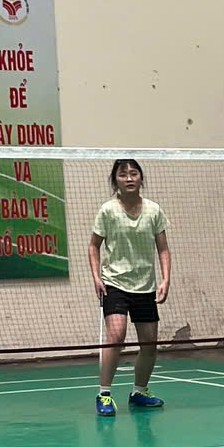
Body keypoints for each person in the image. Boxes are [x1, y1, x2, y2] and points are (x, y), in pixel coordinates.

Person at [89, 157, 171, 417]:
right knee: (116, 337)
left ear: (141, 178)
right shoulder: (108, 210)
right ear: (116, 181)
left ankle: (139, 392)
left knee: (149, 344)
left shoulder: (153, 210)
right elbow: (94, 246)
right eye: (123, 174)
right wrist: (97, 277)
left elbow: (163, 248)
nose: (129, 178)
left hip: (144, 285)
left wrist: (166, 279)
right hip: (115, 283)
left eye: (134, 173)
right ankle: (104, 394)